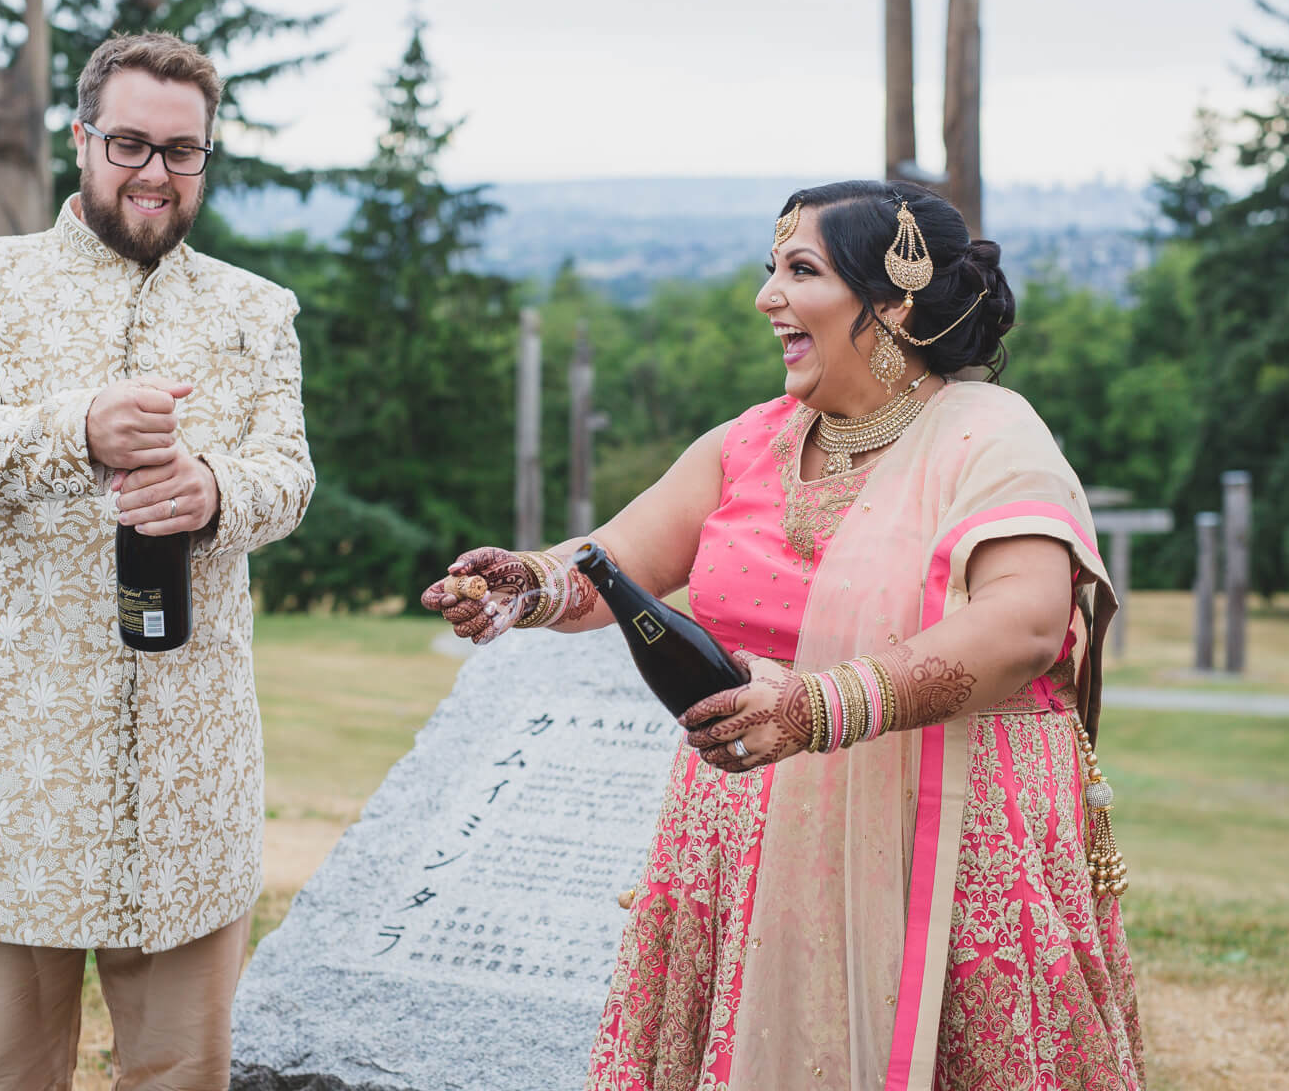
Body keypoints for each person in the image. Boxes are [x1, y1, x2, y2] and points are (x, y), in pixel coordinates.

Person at [422, 181, 1144, 1090]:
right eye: (773, 270)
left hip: (946, 836)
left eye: (800, 271)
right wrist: (527, 582)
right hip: (745, 833)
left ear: (891, 302)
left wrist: (816, 708)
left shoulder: (993, 438)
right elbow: (612, 567)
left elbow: (1027, 622)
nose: (767, 298)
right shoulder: (750, 441)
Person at [0, 32, 314, 1090]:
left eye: (183, 152)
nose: (155, 174)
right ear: (81, 139)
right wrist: (80, 428)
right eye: (129, 144)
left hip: (192, 769)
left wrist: (216, 491)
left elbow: (290, 476)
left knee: (185, 1072)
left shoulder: (259, 311)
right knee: (5, 1071)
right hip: (16, 761)